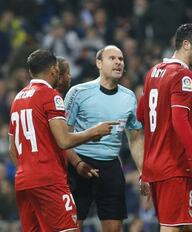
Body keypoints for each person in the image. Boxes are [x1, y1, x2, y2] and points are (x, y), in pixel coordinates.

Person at [8, 49, 115, 232]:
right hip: (48, 179)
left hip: (23, 182)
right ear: (53, 70)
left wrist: (30, 173)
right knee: (69, 229)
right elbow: (64, 140)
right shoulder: (50, 95)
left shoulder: (17, 99)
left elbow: (12, 150)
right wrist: (94, 131)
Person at [137, 23, 192, 232]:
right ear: (186, 45)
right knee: (171, 227)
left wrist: (189, 121)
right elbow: (178, 120)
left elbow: (142, 115)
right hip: (173, 166)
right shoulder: (183, 75)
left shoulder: (153, 72)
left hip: (154, 165)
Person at [64, 45, 144, 232]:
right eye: (112, 58)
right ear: (99, 63)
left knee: (115, 228)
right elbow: (62, 137)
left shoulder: (129, 97)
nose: (118, 62)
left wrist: (143, 171)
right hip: (79, 164)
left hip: (110, 167)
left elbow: (135, 137)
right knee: (72, 226)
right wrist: (77, 164)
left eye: (121, 59)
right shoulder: (78, 92)